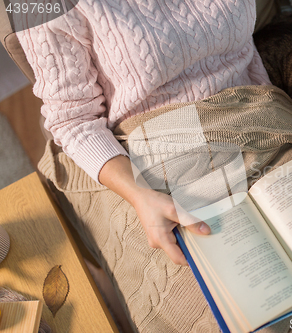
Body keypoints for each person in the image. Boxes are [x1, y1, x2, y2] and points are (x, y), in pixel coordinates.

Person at [17, 0, 273, 265]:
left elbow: (242, 44)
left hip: (261, 118)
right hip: (159, 153)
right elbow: (72, 119)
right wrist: (140, 195)